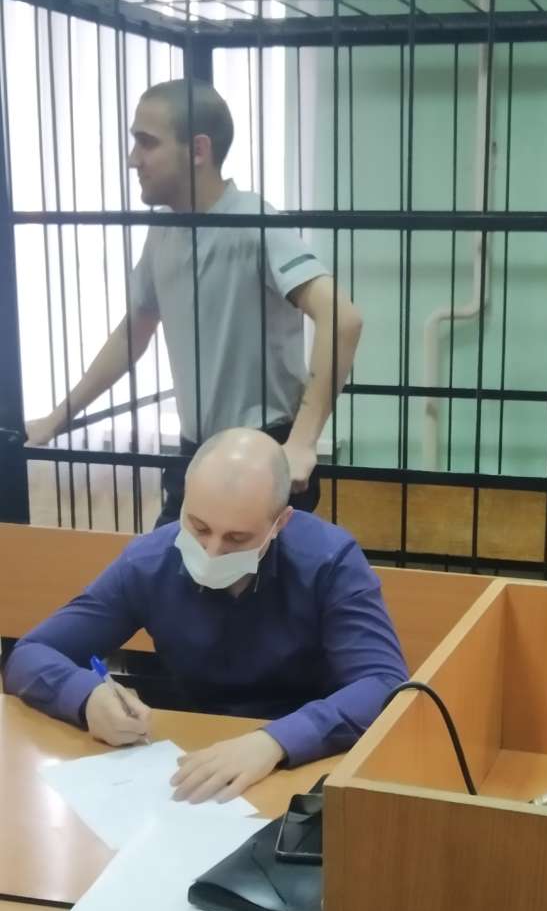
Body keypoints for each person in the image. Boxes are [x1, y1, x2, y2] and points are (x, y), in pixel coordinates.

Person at [4, 429, 408, 803]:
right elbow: (31, 654)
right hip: (191, 756)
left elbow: (384, 684)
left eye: (237, 538)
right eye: (198, 527)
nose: (212, 552)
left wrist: (274, 741)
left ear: (280, 523)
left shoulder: (329, 562)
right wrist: (86, 697)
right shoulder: (150, 562)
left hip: (308, 764)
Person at [25, 79, 362, 521]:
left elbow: (342, 319)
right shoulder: (163, 230)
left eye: (147, 142)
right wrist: (56, 418)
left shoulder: (255, 222)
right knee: (163, 563)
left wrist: (301, 442)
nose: (133, 159)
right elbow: (133, 332)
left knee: (238, 565)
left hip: (263, 451)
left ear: (198, 150)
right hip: (194, 453)